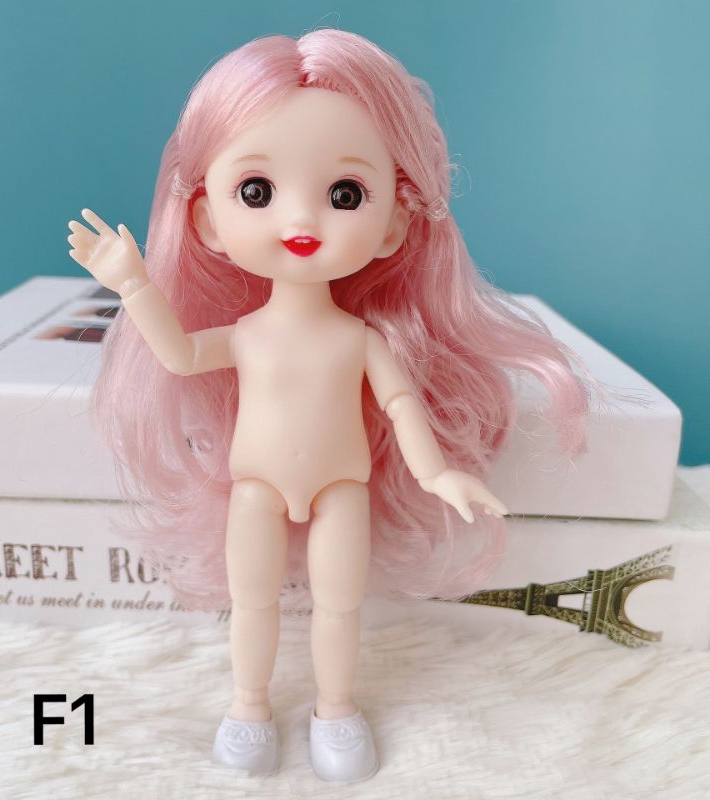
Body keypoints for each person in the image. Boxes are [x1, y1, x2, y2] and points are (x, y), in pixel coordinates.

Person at [66, 29, 589, 782]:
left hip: (343, 486)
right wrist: (134, 284)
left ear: (394, 225)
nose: (301, 222)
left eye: (346, 195)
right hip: (256, 485)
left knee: (341, 606)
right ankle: (248, 707)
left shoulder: (360, 339)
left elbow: (402, 404)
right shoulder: (247, 335)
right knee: (252, 602)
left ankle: (335, 710)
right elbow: (177, 355)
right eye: (257, 192)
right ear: (208, 220)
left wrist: (437, 473)